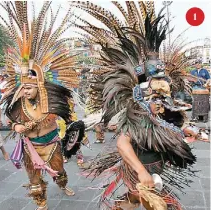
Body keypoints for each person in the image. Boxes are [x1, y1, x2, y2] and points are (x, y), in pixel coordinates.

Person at [72, 1, 203, 209]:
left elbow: (174, 123)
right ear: (143, 95)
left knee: (135, 199)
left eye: (163, 93)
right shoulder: (137, 114)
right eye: (155, 94)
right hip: (139, 167)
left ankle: (121, 205)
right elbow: (122, 144)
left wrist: (192, 130)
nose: (160, 98)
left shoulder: (164, 108)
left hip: (158, 166)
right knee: (156, 204)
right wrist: (141, 171)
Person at [0, 2, 84, 210]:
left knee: (60, 173)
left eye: (30, 87)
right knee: (35, 182)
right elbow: (10, 122)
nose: (26, 90)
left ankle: (63, 185)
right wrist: (18, 127)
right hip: (31, 147)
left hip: (52, 143)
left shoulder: (53, 100)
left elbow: (69, 116)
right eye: (23, 87)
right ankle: (42, 202)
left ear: (39, 85)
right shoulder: (18, 103)